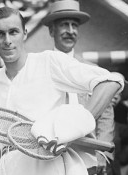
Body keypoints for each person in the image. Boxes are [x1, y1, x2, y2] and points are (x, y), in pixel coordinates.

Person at [0, 6, 124, 175]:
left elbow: (111, 80)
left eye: (13, 32)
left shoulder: (48, 62)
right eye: (0, 34)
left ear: (25, 33)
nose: (7, 40)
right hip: (9, 167)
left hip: (48, 165)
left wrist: (76, 124)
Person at [42, 0, 118, 174]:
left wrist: (102, 154)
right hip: (51, 156)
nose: (70, 31)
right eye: (64, 25)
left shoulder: (93, 71)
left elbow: (105, 117)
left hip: (88, 157)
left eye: (74, 25)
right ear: (52, 30)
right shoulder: (42, 69)